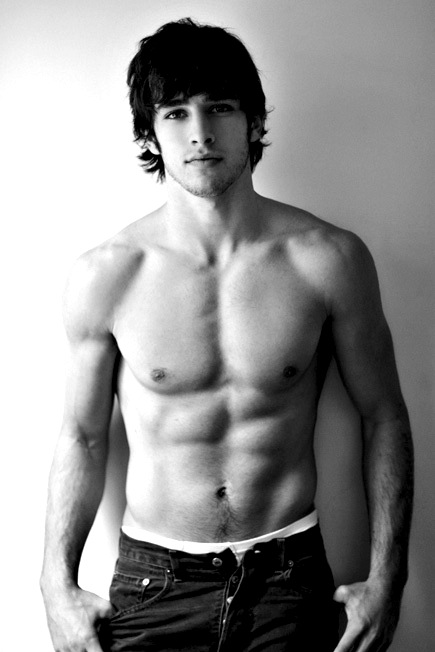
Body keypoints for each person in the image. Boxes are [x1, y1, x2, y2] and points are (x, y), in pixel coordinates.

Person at [40, 17, 414, 652]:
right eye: (175, 113)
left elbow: (384, 416)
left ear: (254, 121)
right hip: (154, 585)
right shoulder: (107, 275)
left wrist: (389, 579)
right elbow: (82, 434)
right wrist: (55, 585)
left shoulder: (329, 260)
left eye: (219, 108)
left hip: (288, 579)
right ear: (150, 133)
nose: (200, 133)